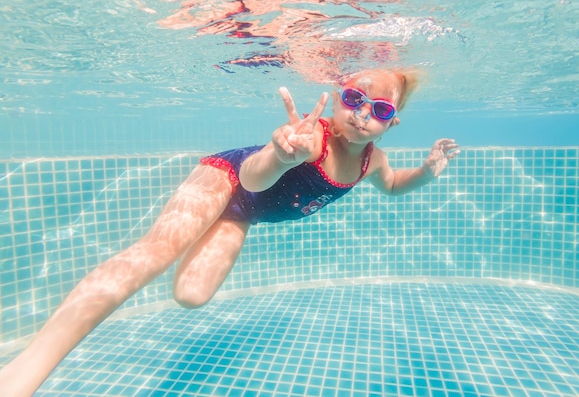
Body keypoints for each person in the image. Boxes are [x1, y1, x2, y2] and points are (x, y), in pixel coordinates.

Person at [0, 68, 459, 396]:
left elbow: (394, 185)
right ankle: (26, 371)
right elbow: (254, 178)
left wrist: (427, 171)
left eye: (377, 109)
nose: (361, 114)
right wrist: (281, 156)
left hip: (242, 213)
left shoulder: (371, 162)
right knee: (156, 252)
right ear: (338, 98)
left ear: (391, 122)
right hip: (226, 177)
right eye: (353, 99)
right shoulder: (311, 137)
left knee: (192, 294)